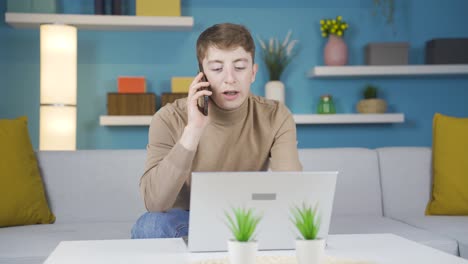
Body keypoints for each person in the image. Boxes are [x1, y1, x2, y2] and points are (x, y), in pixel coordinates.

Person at [131, 23, 302, 239]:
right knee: (150, 225)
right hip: (186, 223)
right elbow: (155, 203)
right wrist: (193, 129)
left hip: (246, 219)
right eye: (217, 68)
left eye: (239, 67)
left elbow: (293, 192)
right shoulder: (168, 118)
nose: (230, 78)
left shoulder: (276, 116)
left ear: (253, 72)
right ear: (201, 76)